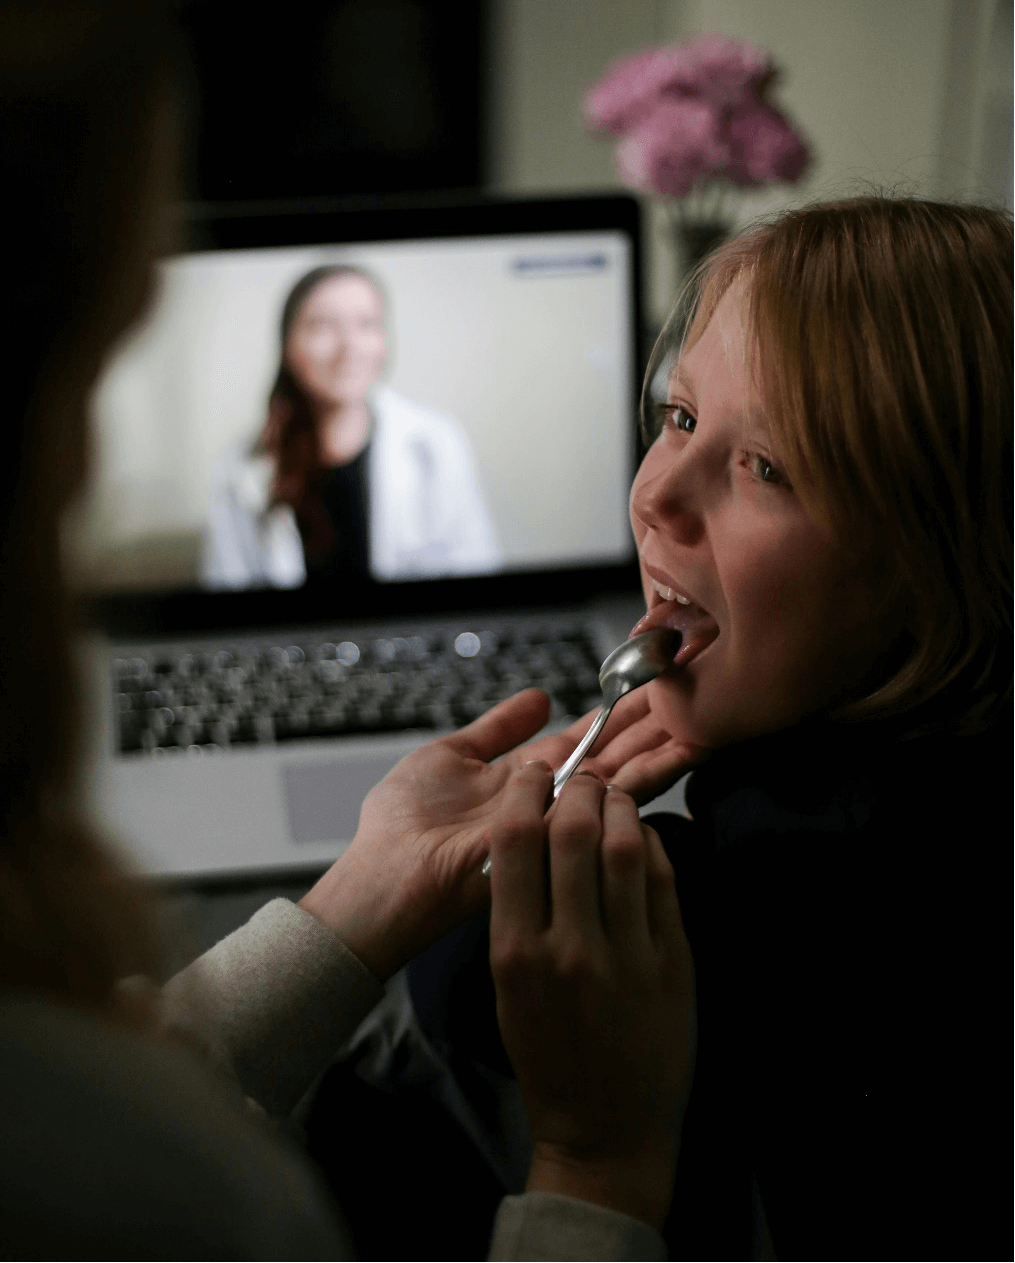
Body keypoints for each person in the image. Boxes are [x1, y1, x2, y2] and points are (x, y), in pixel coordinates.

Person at [1, 4, 695, 1259]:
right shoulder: (192, 1206)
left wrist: (359, 896)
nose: (654, 493)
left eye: (362, 324)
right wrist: (594, 1169)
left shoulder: (433, 447)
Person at [326, 195, 1013, 1260]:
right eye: (682, 418)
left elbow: (461, 991)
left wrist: (481, 874)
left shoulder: (760, 902)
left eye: (767, 469)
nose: (656, 496)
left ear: (944, 570)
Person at [201, 263, 503, 588]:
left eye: (366, 324)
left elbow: (477, 579)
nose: (349, 348)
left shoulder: (435, 443)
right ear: (288, 347)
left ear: (385, 342)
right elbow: (227, 594)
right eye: (323, 326)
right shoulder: (242, 467)